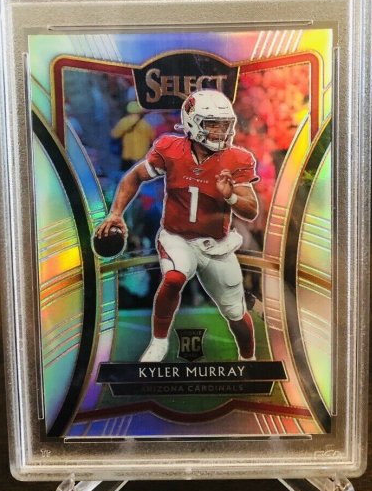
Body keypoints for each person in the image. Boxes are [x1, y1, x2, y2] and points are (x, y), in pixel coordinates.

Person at [95, 90, 260, 362]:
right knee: (174, 278)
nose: (220, 131)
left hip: (217, 245)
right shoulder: (170, 149)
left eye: (224, 124)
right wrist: (116, 213)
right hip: (177, 238)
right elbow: (135, 176)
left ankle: (248, 359)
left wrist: (230, 195)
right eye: (212, 124)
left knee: (235, 312)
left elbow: (251, 210)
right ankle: (158, 343)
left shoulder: (237, 159)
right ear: (193, 123)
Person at [110, 101, 156, 172]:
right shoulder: (146, 124)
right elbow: (153, 137)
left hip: (128, 155)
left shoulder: (123, 122)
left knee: (126, 174)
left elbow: (114, 135)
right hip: (142, 155)